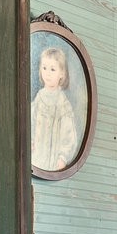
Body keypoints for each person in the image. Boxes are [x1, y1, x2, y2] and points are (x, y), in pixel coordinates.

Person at [29, 42, 82, 173]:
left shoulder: (63, 103)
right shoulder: (39, 98)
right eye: (44, 68)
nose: (47, 73)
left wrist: (62, 158)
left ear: (62, 74)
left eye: (53, 69)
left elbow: (69, 135)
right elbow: (31, 122)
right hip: (37, 156)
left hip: (54, 160)